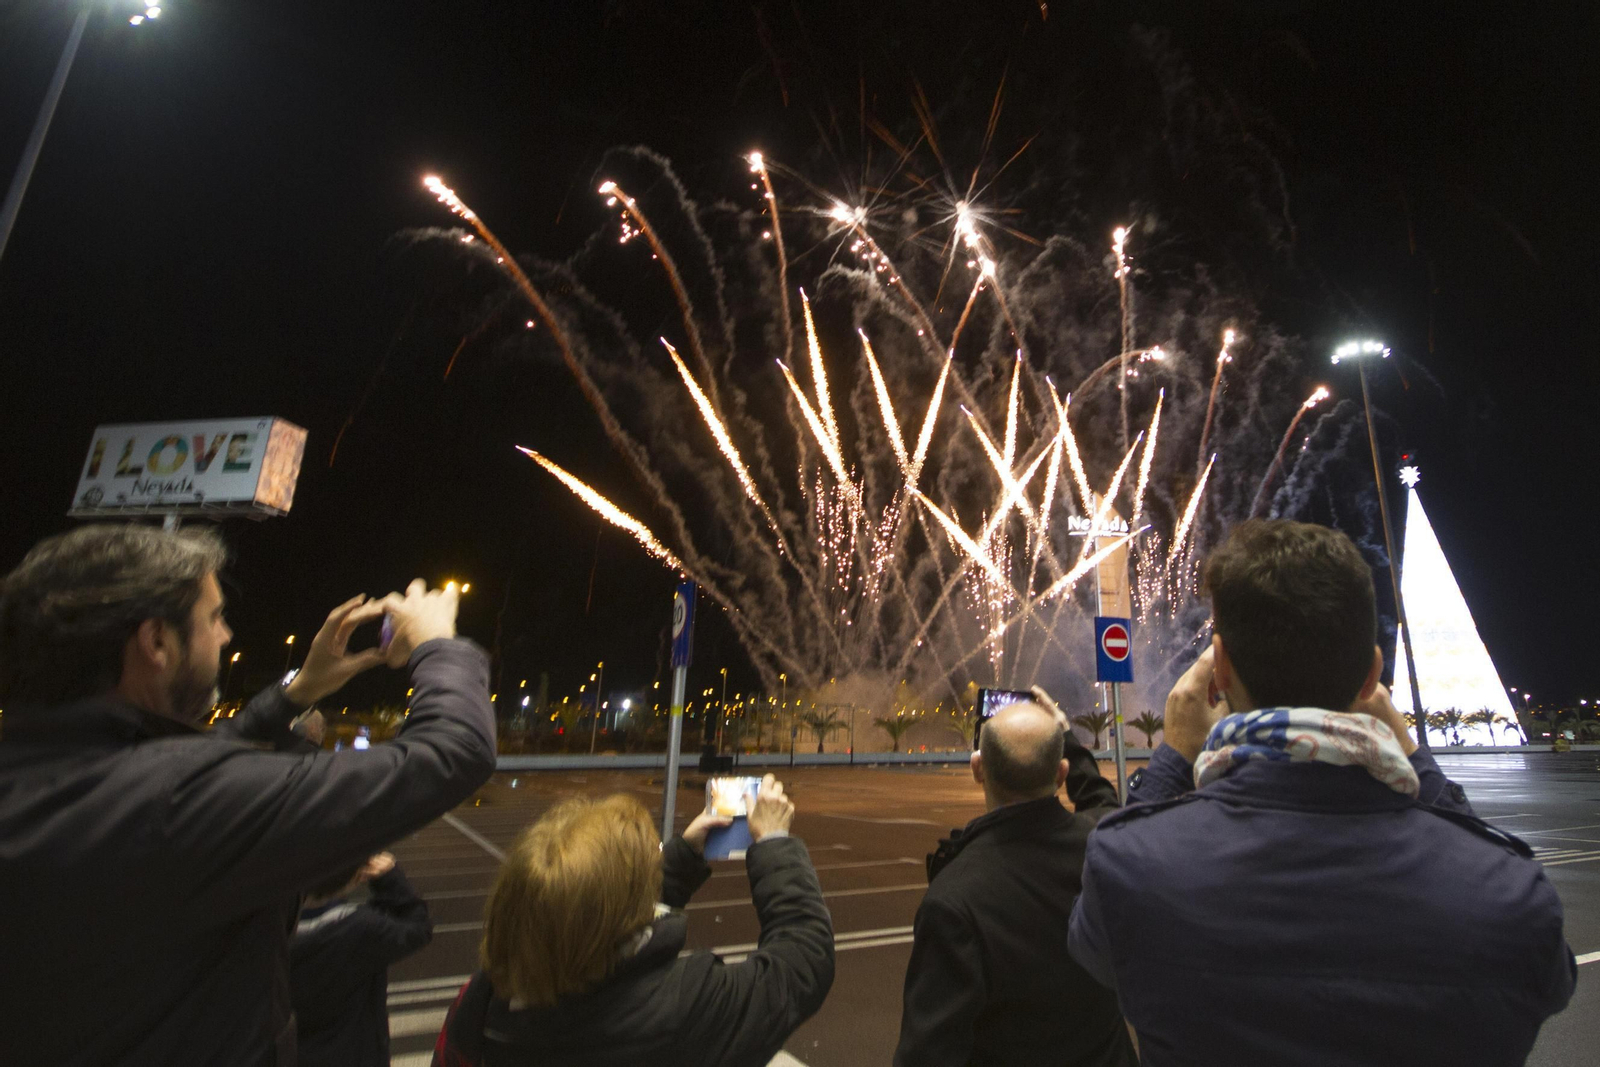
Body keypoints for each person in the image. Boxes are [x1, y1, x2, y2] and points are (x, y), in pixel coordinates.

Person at [1068, 519, 1576, 1065]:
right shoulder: (1508, 891)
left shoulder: (1134, 865)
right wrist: (1417, 763)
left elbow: (1092, 948)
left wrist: (1171, 759)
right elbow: (1552, 980)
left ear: (1219, 668)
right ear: (1371, 675)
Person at [0, 523, 497, 1065]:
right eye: (213, 617)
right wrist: (438, 647)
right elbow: (453, 753)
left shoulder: (54, 775)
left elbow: (171, 766)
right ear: (157, 642)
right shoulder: (175, 804)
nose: (226, 636)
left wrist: (299, 691)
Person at [433, 773, 835, 1067]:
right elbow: (801, 962)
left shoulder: (486, 998)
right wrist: (776, 842)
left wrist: (683, 856)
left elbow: (588, 916)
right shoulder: (680, 1007)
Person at [894, 693, 1136, 1067]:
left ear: (978, 769)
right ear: (1061, 774)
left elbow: (928, 1053)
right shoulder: (1102, 850)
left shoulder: (954, 899)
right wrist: (1067, 734)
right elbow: (1103, 802)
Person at [291, 851, 432, 1067]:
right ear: (357, 876)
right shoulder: (362, 931)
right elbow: (417, 928)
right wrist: (390, 880)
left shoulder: (262, 929)